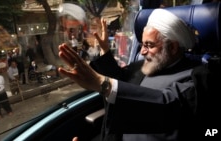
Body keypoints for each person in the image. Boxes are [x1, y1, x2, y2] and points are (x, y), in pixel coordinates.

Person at [58, 9, 210, 141]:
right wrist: (105, 51)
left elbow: (168, 105)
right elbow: (121, 80)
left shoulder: (198, 76)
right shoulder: (144, 66)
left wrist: (101, 83)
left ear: (172, 47)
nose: (142, 51)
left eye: (149, 45)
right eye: (142, 44)